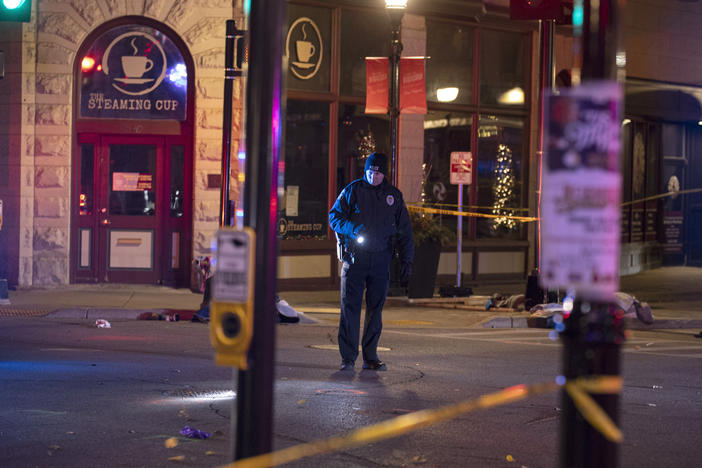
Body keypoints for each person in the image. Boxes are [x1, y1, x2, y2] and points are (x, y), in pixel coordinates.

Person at [329, 152, 414, 371]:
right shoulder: (353, 190)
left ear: (384, 174)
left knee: (375, 309)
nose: (372, 176)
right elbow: (334, 217)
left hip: (380, 260)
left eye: (377, 172)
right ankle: (348, 358)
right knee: (350, 308)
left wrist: (407, 261)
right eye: (370, 171)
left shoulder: (393, 196)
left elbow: (405, 231)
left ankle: (370, 357)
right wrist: (353, 228)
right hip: (355, 258)